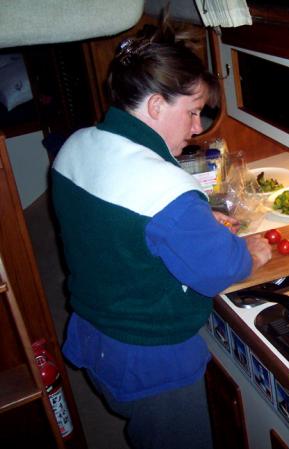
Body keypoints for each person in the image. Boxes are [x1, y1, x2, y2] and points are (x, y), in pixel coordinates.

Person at [51, 15, 272, 449]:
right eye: (191, 112)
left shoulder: (76, 145)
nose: (196, 128)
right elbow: (217, 271)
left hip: (94, 332)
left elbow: (117, 225)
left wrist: (194, 221)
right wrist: (251, 253)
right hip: (148, 358)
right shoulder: (166, 189)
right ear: (155, 106)